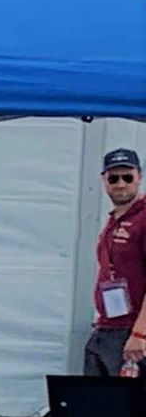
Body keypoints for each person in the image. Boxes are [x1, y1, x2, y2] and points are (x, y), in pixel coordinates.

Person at [87, 147, 146, 377]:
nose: (120, 184)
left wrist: (140, 333)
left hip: (133, 334)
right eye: (113, 178)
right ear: (104, 180)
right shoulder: (113, 221)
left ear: (139, 176)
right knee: (94, 395)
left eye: (127, 177)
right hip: (108, 328)